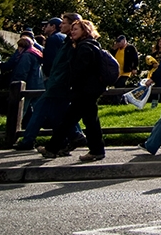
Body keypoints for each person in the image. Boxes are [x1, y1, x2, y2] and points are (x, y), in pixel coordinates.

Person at [39, 19, 108, 161]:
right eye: (72, 29)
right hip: (88, 90)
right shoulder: (90, 45)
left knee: (73, 120)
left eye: (76, 29)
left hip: (84, 91)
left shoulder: (84, 47)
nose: (72, 31)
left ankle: (53, 148)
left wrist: (71, 83)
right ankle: (95, 150)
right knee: (83, 121)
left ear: (85, 31)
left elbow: (80, 70)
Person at [15, 13, 85, 151]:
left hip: (57, 82)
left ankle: (30, 141)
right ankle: (72, 137)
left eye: (64, 23)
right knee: (59, 112)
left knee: (43, 110)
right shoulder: (68, 40)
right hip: (60, 82)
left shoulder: (56, 39)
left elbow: (54, 63)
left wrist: (52, 77)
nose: (61, 25)